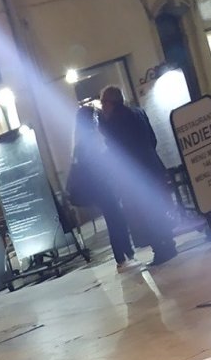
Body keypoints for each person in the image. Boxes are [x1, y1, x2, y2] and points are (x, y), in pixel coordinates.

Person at [97, 85, 177, 268]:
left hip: (136, 175)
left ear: (110, 102)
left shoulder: (115, 121)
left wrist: (103, 128)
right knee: (157, 208)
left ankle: (160, 249)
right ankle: (169, 244)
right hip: (153, 166)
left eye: (103, 102)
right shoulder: (138, 112)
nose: (102, 107)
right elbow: (153, 139)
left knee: (145, 213)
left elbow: (118, 150)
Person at [67, 103, 134, 268]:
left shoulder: (80, 141)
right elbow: (97, 163)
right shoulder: (90, 139)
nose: (97, 119)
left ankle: (124, 253)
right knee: (116, 217)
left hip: (98, 187)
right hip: (102, 186)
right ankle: (123, 253)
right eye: (95, 117)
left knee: (114, 217)